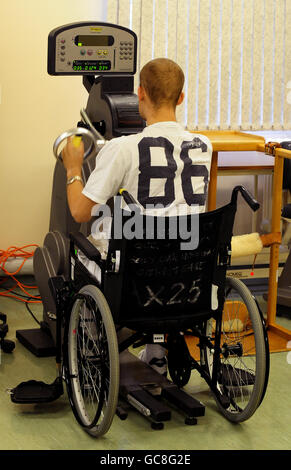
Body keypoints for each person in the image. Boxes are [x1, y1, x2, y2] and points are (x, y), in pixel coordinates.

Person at [62, 58, 213, 375]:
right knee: (164, 235)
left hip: (134, 276)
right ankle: (156, 350)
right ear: (181, 98)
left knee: (85, 247)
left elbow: (79, 211)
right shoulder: (204, 146)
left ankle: (92, 345)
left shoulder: (121, 148)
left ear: (140, 94)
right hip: (188, 273)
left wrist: (74, 168)